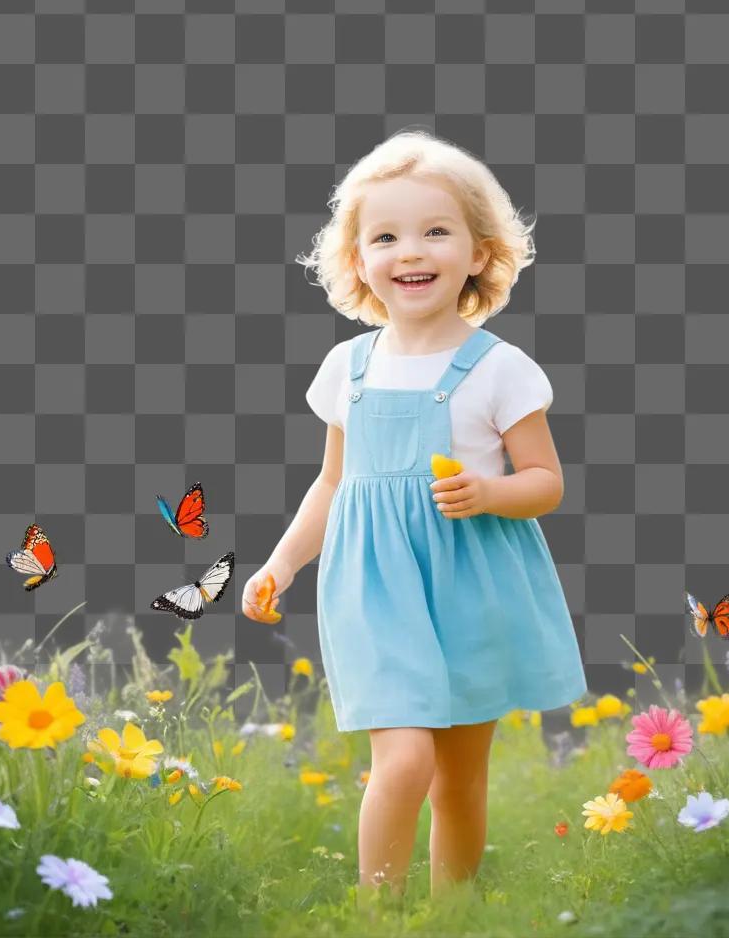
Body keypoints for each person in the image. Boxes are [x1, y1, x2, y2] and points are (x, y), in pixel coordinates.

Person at [239, 128, 588, 907]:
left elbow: (545, 481)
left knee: (460, 782)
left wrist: (492, 492)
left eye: (436, 231)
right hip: (376, 591)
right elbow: (334, 483)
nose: (411, 251)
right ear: (358, 260)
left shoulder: (500, 368)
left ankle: (452, 914)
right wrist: (282, 563)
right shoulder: (348, 367)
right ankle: (377, 914)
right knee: (404, 762)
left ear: (478, 252)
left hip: (470, 588)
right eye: (386, 236)